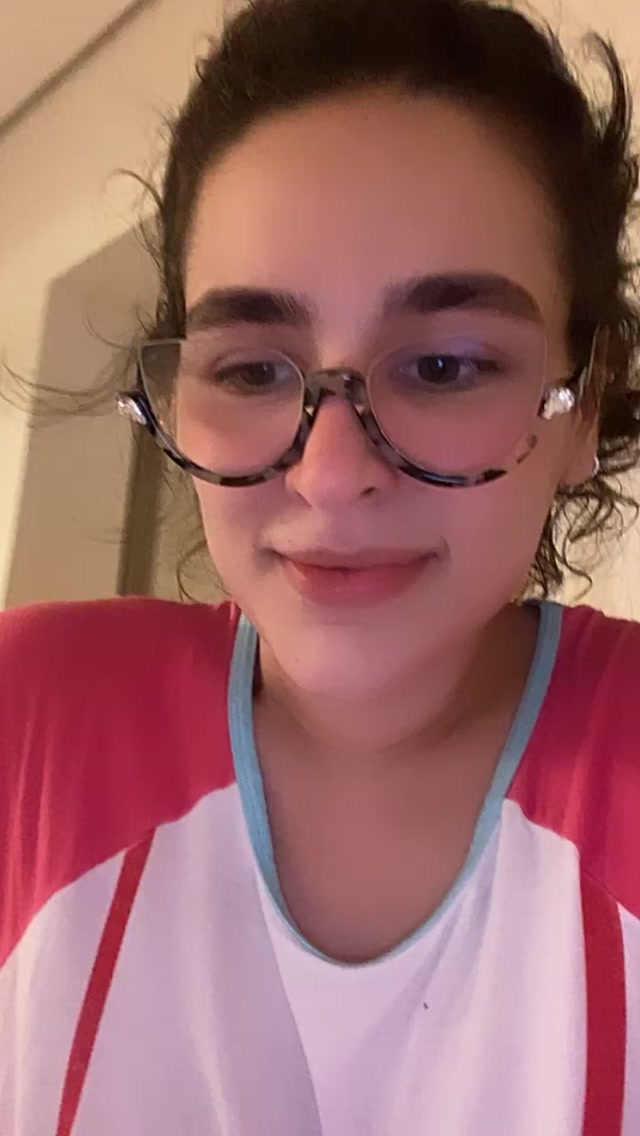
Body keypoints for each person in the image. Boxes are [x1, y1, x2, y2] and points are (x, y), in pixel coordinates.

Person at [1, 0, 639, 1132]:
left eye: (444, 365)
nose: (332, 475)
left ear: (584, 402)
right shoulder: (28, 718)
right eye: (252, 370)